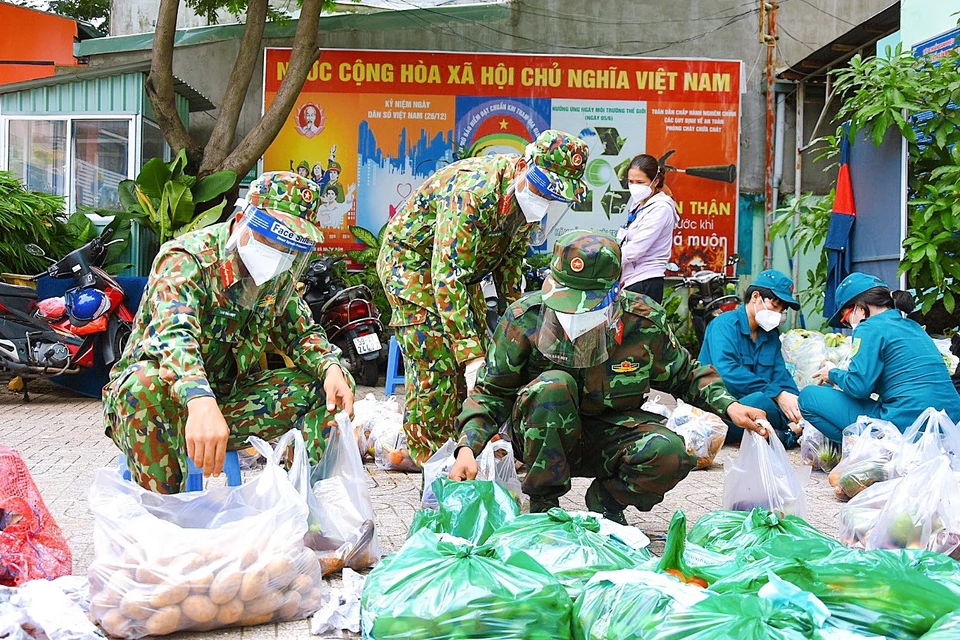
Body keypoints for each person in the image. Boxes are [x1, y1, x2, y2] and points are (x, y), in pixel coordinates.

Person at [447, 230, 769, 524]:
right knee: (554, 385)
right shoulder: (524, 319)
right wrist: (467, 449)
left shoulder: (642, 322)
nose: (573, 313)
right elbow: (490, 393)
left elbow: (685, 375)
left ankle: (607, 502)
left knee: (670, 453)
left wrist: (729, 406)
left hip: (613, 433)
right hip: (543, 436)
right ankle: (544, 508)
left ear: (615, 293)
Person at [102, 171, 355, 494]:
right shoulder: (186, 259)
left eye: (288, 247)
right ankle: (167, 523)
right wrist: (199, 398)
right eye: (270, 239)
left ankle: (298, 508)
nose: (278, 253)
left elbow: (302, 334)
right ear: (241, 220)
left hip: (227, 401)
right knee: (143, 385)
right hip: (162, 406)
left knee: (328, 388)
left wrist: (330, 366)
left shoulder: (277, 275)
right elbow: (174, 336)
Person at [377, 129, 589, 464]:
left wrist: (517, 326)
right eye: (542, 190)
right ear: (523, 167)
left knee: (483, 355)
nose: (544, 202)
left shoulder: (524, 203)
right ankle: (430, 460)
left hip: (466, 272)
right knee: (437, 356)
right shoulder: (473, 190)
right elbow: (446, 273)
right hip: (412, 264)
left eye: (554, 198)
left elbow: (509, 267)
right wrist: (469, 354)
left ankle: (464, 446)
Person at [799, 272, 960, 442]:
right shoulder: (913, 326)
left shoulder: (868, 328)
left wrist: (833, 373)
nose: (848, 325)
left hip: (906, 425)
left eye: (846, 319)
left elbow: (859, 387)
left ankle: (869, 453)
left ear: (859, 308)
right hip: (949, 423)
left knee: (808, 397)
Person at [698, 269, 803, 447]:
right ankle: (785, 433)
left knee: (801, 404)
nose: (778, 315)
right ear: (755, 296)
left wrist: (798, 404)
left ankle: (783, 432)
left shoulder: (770, 336)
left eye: (782, 310)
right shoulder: (724, 325)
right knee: (760, 403)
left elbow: (780, 375)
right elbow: (728, 373)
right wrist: (777, 394)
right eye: (775, 306)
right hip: (722, 406)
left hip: (757, 406)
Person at [616, 154, 679, 303]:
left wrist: (605, 260)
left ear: (655, 181)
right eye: (631, 181)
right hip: (630, 280)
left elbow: (636, 249)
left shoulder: (661, 208)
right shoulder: (639, 203)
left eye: (640, 182)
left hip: (645, 282)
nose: (634, 186)